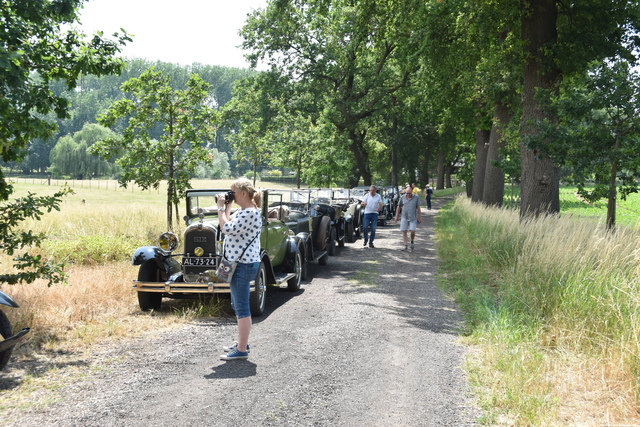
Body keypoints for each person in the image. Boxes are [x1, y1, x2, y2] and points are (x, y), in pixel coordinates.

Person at [217, 178, 262, 360]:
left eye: (233, 192)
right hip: (239, 263)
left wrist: (220, 207)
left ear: (243, 193)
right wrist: (226, 206)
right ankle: (242, 343)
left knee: (242, 308)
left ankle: (241, 350)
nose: (231, 195)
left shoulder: (249, 213)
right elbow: (228, 222)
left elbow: (225, 228)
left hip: (242, 265)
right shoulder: (244, 211)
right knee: (237, 305)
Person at [395, 186, 421, 251]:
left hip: (413, 217)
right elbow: (398, 207)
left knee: (412, 231)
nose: (408, 194)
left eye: (410, 193)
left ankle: (412, 240)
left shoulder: (416, 197)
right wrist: (396, 216)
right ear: (405, 193)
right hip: (404, 216)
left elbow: (418, 208)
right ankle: (405, 245)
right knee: (404, 231)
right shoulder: (402, 197)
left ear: (412, 192)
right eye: (407, 193)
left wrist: (419, 216)